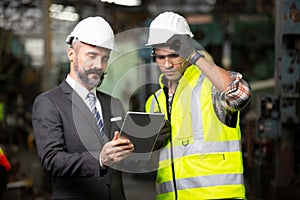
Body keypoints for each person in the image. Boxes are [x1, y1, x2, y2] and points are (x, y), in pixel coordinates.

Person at [145, 12, 251, 199]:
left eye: (174, 55)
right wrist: (146, 145)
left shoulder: (211, 87)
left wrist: (195, 55)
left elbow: (239, 95)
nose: (167, 64)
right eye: (161, 57)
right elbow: (153, 162)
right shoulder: (154, 102)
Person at [32, 16, 134, 200]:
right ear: (71, 54)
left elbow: (123, 152)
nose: (98, 65)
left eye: (105, 58)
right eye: (92, 56)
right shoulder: (49, 103)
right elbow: (52, 161)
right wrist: (99, 159)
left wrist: (151, 137)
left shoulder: (113, 103)